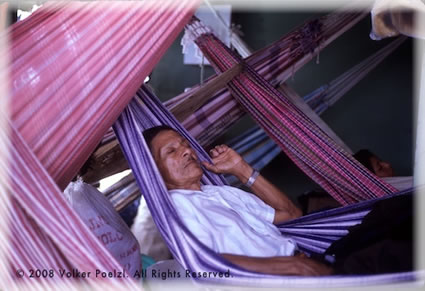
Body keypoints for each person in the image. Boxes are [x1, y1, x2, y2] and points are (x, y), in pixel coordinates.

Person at [143, 125, 333, 276]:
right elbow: (202, 261)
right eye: (171, 151)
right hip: (278, 279)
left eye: (185, 144)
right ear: (154, 170)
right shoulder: (176, 206)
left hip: (303, 263)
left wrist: (241, 169)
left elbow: (291, 214)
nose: (186, 151)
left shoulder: (221, 192)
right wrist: (291, 266)